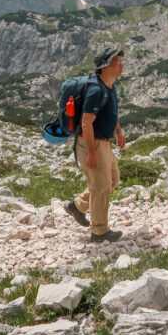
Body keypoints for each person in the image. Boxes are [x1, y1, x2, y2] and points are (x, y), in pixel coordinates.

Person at [64, 46, 127, 242]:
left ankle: (77, 206)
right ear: (105, 66)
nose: (121, 65)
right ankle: (99, 232)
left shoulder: (110, 86)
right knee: (101, 188)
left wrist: (117, 131)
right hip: (92, 143)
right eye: (117, 61)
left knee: (113, 180)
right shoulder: (95, 90)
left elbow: (110, 113)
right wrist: (91, 152)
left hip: (104, 142)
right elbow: (86, 122)